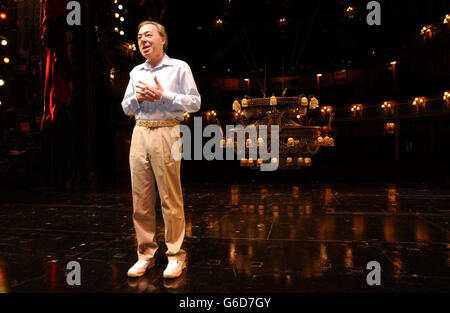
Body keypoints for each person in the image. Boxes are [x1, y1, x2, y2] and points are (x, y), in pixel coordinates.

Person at [121, 21, 201, 279]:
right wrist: (138, 99)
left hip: (168, 130)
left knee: (170, 198)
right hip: (140, 131)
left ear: (162, 39)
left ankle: (176, 256)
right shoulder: (135, 72)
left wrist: (162, 95)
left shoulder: (179, 67)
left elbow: (195, 103)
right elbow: (125, 106)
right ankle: (145, 255)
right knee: (140, 199)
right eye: (139, 36)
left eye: (148, 35)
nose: (143, 40)